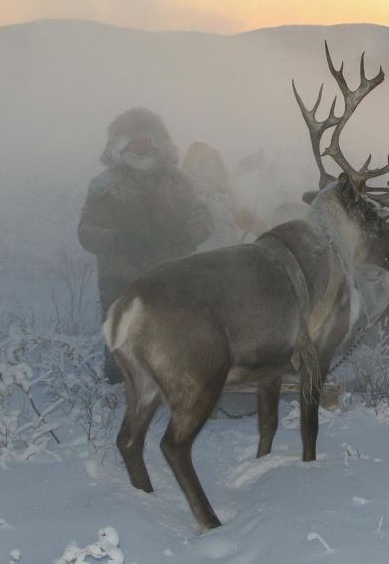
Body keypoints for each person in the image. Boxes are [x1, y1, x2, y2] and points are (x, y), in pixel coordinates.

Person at [78, 107, 213, 381]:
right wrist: (120, 239)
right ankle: (116, 394)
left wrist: (185, 236)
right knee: (120, 339)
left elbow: (203, 219)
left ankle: (175, 386)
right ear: (117, 146)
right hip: (120, 277)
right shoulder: (103, 187)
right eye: (133, 142)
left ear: (159, 143)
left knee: (176, 334)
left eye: (146, 141)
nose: (140, 149)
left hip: (172, 273)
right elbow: (86, 232)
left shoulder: (179, 182)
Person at [181, 141, 268, 251]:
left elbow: (243, 219)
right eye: (197, 165)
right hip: (198, 258)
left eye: (207, 163)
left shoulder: (225, 195)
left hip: (229, 255)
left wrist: (265, 232)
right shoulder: (184, 197)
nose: (202, 171)